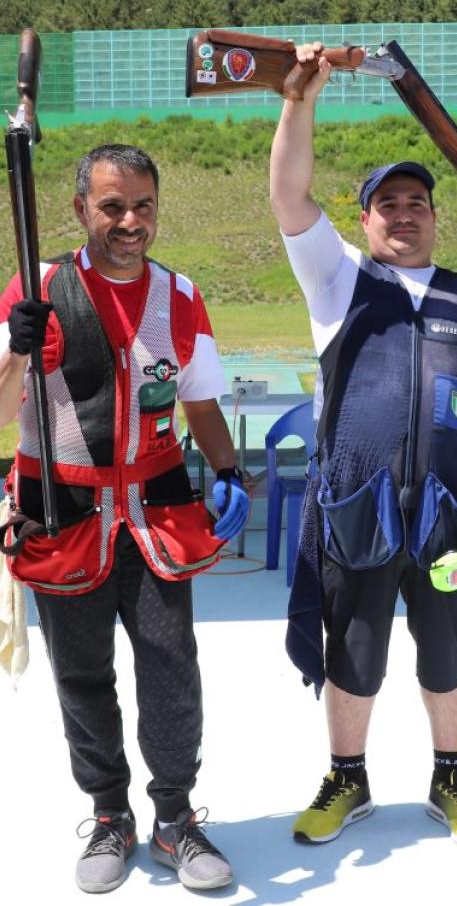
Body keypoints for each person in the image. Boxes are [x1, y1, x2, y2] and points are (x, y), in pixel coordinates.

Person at [269, 44, 457, 850]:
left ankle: (452, 776)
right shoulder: (337, 278)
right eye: (388, 203)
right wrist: (299, 101)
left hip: (448, 516)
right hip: (359, 509)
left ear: (435, 217)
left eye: (418, 201)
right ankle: (346, 776)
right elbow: (288, 192)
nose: (405, 213)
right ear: (365, 218)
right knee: (352, 650)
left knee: (450, 650)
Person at [0, 144, 250, 894]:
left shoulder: (181, 295)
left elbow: (200, 401)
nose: (130, 221)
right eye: (112, 206)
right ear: (82, 209)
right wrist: (16, 351)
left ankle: (174, 816)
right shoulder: (36, 288)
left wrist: (229, 470)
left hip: (157, 514)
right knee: (81, 675)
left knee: (172, 667)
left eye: (143, 205)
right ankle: (110, 813)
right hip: (62, 515)